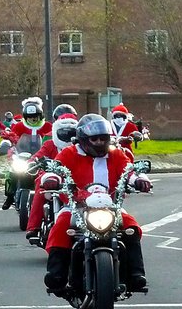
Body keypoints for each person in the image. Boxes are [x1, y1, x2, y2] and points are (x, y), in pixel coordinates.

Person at [43, 114, 151, 295]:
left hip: (111, 207)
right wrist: (52, 179)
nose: (100, 143)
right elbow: (56, 169)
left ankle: (135, 274)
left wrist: (139, 180)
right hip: (76, 208)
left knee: (131, 226)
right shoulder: (69, 153)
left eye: (104, 138)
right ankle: (57, 275)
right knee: (61, 226)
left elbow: (129, 171)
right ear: (83, 139)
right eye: (95, 139)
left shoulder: (117, 154)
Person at [25, 115, 80, 244]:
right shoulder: (50, 144)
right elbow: (38, 156)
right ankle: (33, 226)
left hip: (74, 178)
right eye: (63, 132)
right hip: (52, 177)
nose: (67, 135)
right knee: (41, 184)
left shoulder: (81, 147)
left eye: (71, 132)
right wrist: (32, 162)